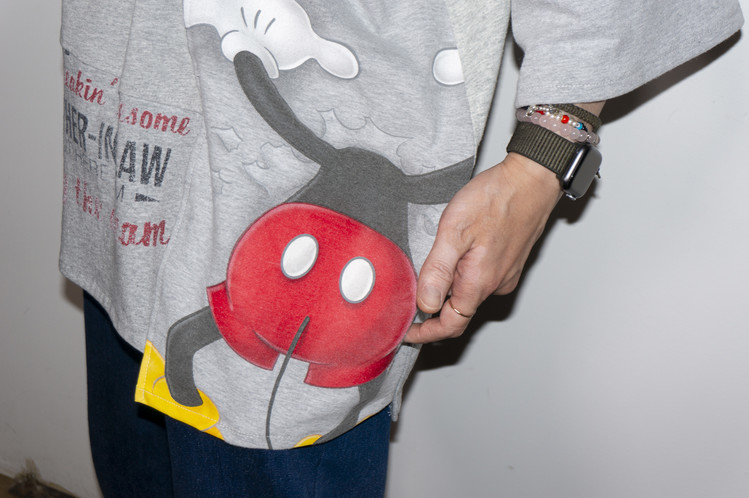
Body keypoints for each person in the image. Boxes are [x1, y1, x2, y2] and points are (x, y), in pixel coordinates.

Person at [60, 0, 743, 495]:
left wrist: (547, 155)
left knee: (273, 445)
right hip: (128, 122)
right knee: (131, 457)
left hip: (343, 126)